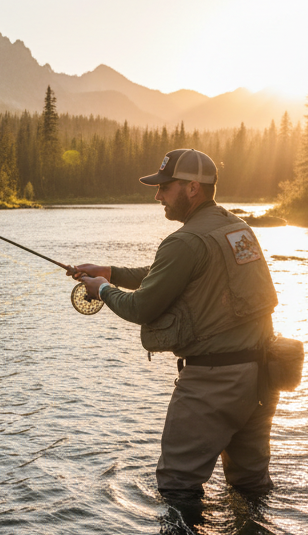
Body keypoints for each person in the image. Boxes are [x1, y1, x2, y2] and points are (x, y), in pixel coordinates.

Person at [70, 149, 279, 505]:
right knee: (250, 484)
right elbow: (171, 275)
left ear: (192, 188)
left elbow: (141, 307)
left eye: (165, 187)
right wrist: (112, 273)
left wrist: (102, 289)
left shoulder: (184, 241)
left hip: (213, 383)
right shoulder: (236, 228)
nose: (158, 196)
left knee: (176, 486)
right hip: (262, 374)